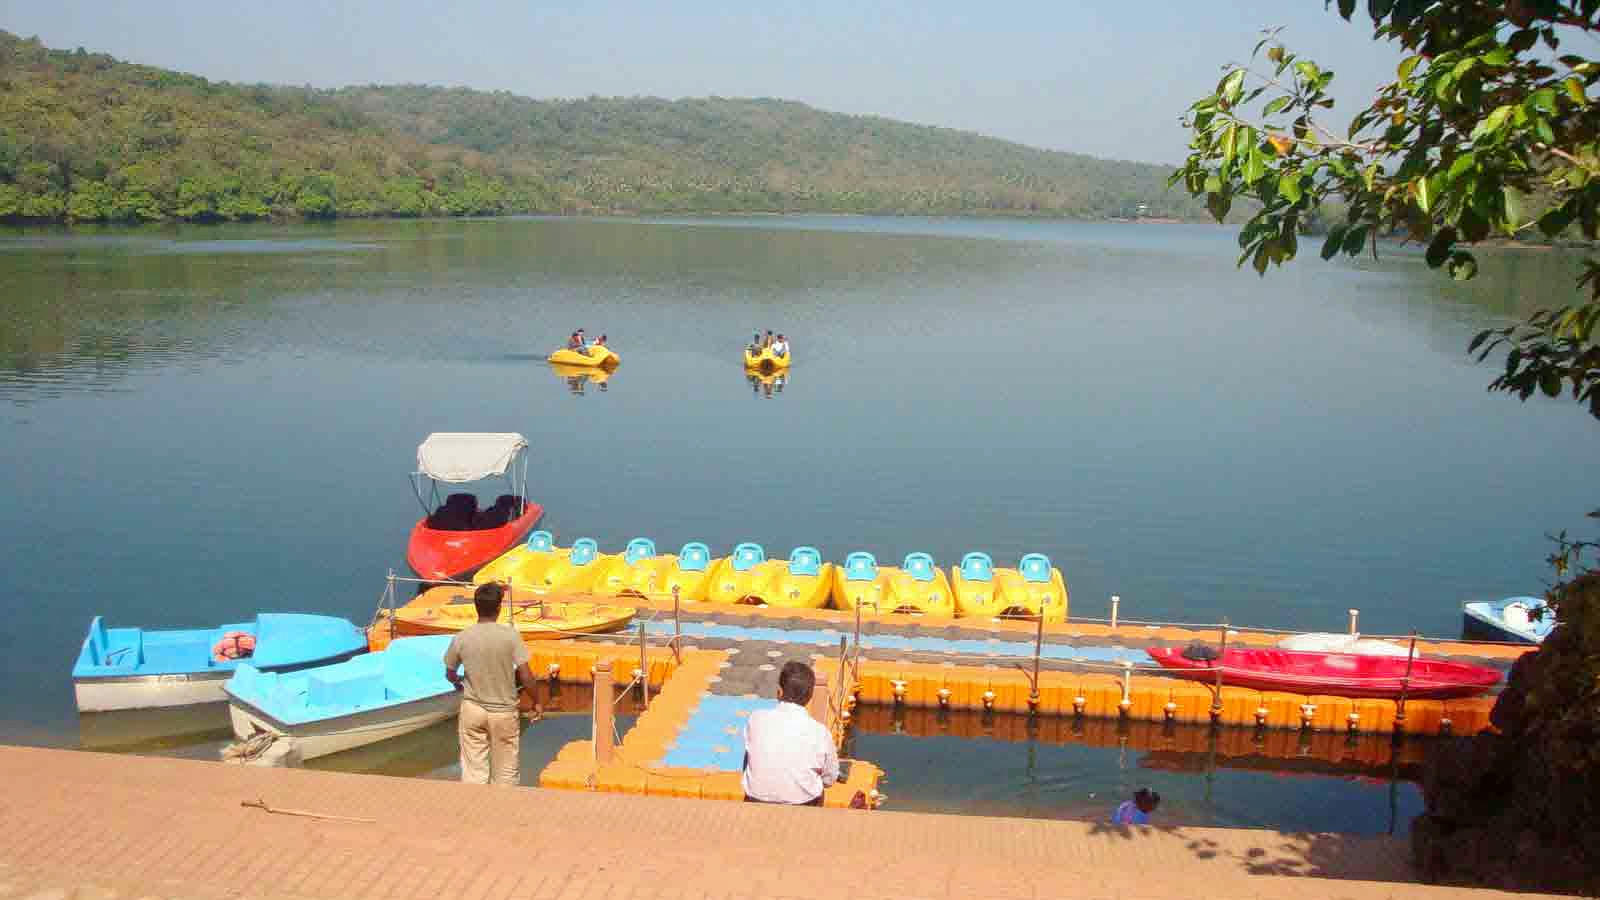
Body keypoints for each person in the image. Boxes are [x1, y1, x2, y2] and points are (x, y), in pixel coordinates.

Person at [443, 583, 533, 785]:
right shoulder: (511, 636)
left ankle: (475, 810)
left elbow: (449, 672)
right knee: (506, 772)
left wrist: (458, 682)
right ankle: (501, 812)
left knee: (474, 771)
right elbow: (526, 675)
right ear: (499, 608)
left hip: (473, 709)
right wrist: (537, 702)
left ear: (476, 606)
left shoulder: (462, 637)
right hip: (503, 712)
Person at [741, 660, 838, 805]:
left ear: (779, 692)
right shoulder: (820, 732)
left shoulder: (756, 719)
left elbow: (747, 762)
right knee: (818, 787)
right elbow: (830, 778)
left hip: (755, 801)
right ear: (810, 697)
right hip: (802, 806)